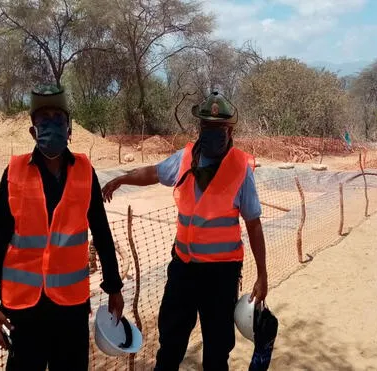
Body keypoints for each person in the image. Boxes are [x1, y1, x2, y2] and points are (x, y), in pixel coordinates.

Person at [102, 91, 268, 371]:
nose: (212, 133)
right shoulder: (185, 158)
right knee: (171, 343)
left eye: (219, 128)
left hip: (221, 275)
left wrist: (262, 275)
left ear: (230, 131)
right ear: (199, 128)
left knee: (216, 350)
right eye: (206, 127)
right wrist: (122, 178)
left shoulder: (241, 168)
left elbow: (253, 224)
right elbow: (154, 172)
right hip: (183, 270)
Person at [0, 84, 124, 371]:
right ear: (33, 131)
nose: (52, 125)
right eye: (43, 119)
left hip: (70, 308)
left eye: (58, 118)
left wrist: (114, 287)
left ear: (69, 128)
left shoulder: (85, 172)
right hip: (25, 310)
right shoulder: (15, 172)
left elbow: (102, 232)